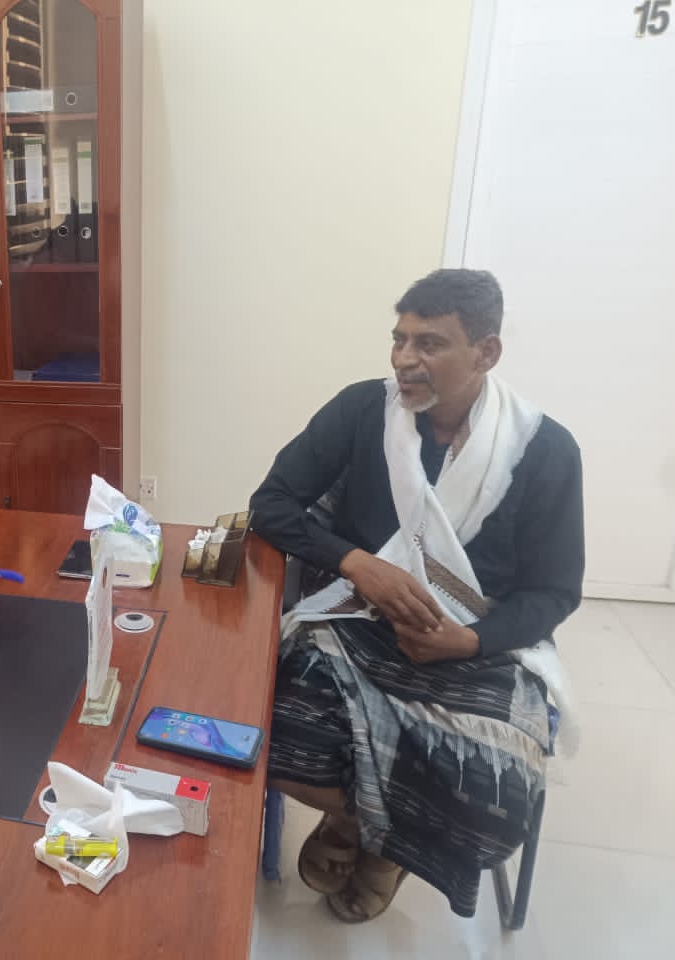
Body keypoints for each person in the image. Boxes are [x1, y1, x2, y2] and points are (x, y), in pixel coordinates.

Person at [249, 268, 584, 922]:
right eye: (399, 339)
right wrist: (358, 564)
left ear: (486, 353)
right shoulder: (361, 411)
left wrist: (469, 640)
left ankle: (378, 840)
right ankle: (368, 824)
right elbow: (272, 505)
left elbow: (554, 592)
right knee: (258, 728)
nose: (404, 358)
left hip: (478, 646)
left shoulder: (545, 451)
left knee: (493, 797)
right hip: (355, 619)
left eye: (429, 344)